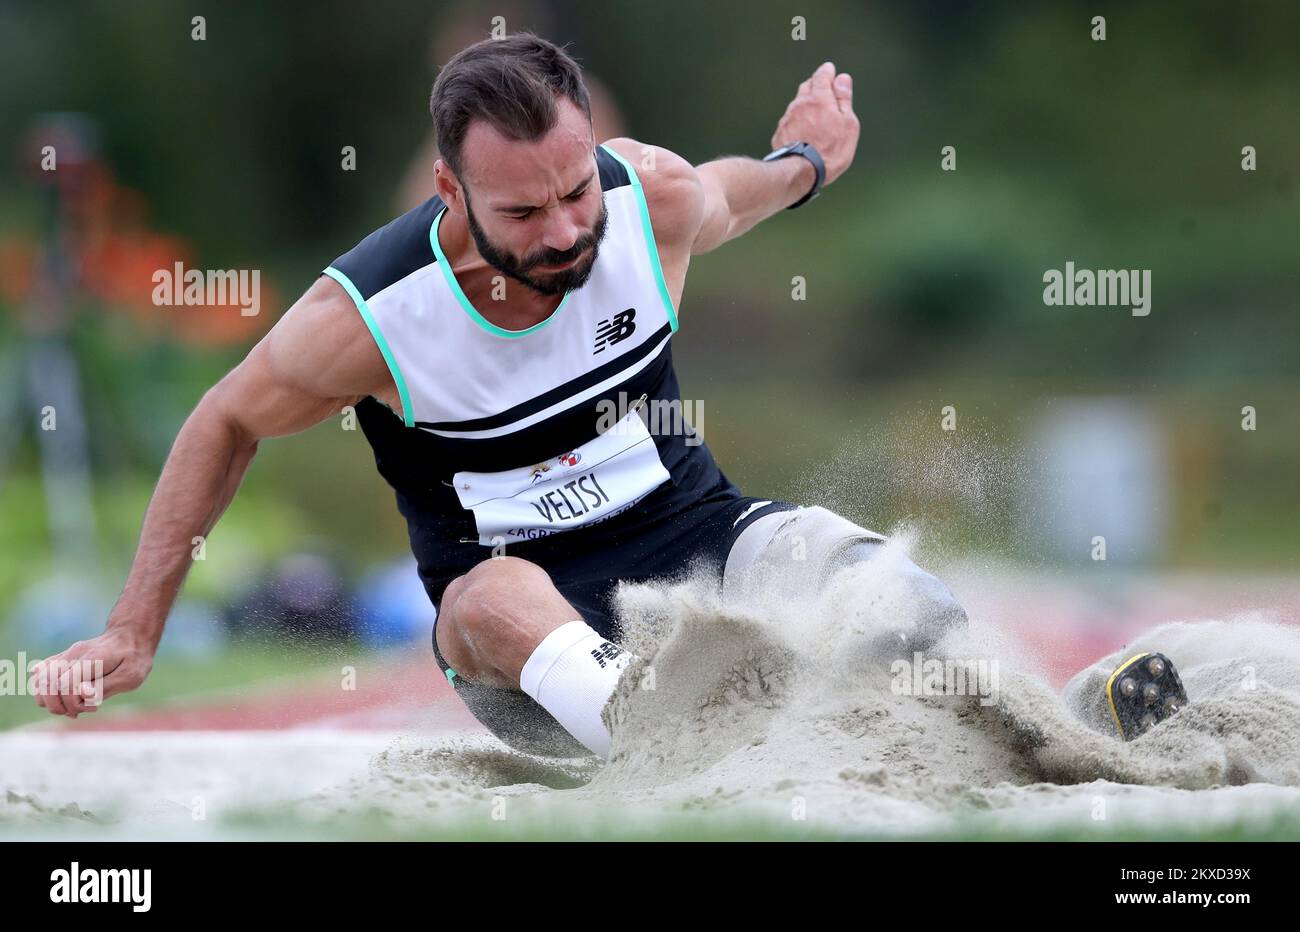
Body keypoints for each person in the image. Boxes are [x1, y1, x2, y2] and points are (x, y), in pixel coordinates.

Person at [33, 33, 1178, 756]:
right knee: (483, 596)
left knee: (847, 562)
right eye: (524, 214)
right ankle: (686, 750)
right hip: (530, 639)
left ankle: (1064, 722)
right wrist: (135, 631)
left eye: (577, 191)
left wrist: (809, 162)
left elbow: (740, 191)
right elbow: (223, 417)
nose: (568, 230)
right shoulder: (371, 318)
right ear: (451, 191)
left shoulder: (645, 203)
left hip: (704, 546)